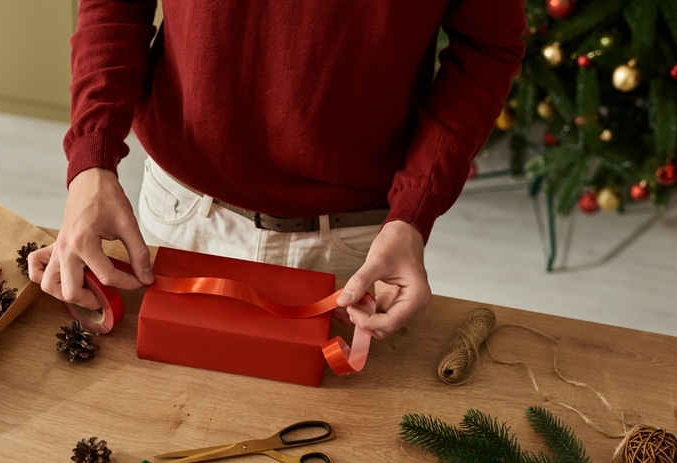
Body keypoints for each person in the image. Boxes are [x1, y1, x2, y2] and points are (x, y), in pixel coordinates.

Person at [29, 1, 526, 339]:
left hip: (355, 245)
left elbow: (486, 49)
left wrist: (416, 207)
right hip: (177, 214)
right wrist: (92, 160)